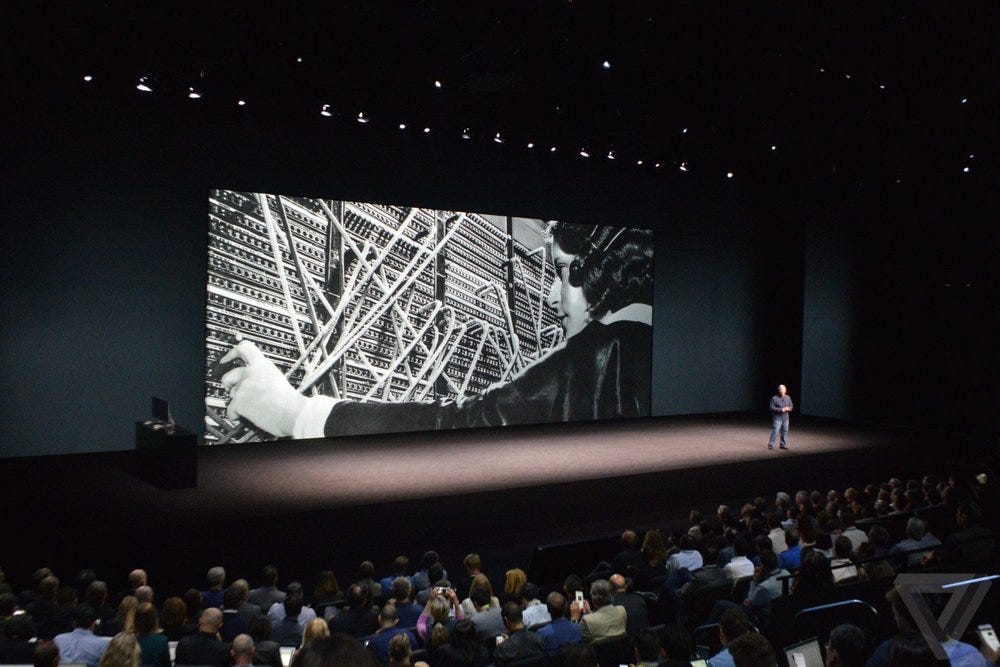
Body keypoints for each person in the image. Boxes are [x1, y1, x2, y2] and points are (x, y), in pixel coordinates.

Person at [218, 222, 653, 439]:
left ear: (598, 272)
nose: (553, 297)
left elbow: (464, 423)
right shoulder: (650, 344)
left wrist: (295, 413)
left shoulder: (601, 353)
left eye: (562, 272)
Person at [767, 384, 793, 450]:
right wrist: (781, 409)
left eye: (783, 389)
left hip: (786, 418)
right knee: (775, 431)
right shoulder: (774, 398)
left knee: (785, 431)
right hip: (777, 418)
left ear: (785, 390)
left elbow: (791, 406)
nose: (782, 391)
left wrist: (789, 408)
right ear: (778, 390)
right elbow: (771, 407)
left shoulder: (788, 397)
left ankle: (782, 445)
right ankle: (771, 445)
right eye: (781, 389)